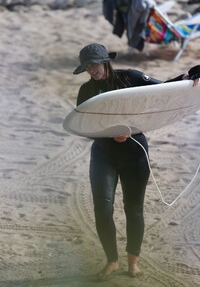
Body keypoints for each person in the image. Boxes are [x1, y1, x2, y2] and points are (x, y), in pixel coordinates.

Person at [73, 43, 200, 279]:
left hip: (135, 153)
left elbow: (163, 89)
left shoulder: (130, 78)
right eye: (87, 67)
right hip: (103, 154)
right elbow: (83, 127)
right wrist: (110, 133)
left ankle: (133, 262)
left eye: (94, 64)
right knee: (102, 209)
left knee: (134, 209)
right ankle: (111, 261)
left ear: (105, 61)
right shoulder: (86, 92)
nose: (92, 70)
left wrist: (188, 76)